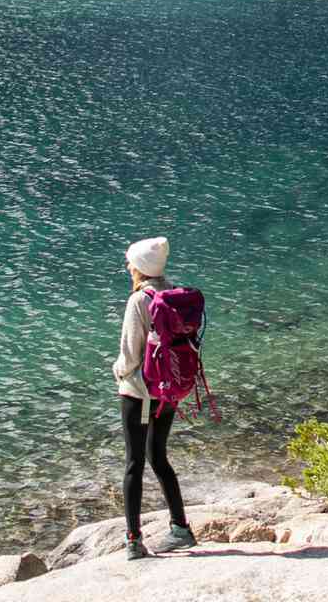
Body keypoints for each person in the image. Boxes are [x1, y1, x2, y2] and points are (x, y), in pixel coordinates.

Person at [112, 236, 197, 560]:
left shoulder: (139, 300)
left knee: (133, 463)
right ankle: (180, 528)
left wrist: (116, 371)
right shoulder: (173, 292)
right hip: (169, 389)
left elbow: (130, 355)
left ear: (140, 268)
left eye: (130, 262)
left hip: (140, 391)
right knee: (158, 457)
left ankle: (134, 541)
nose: (128, 266)